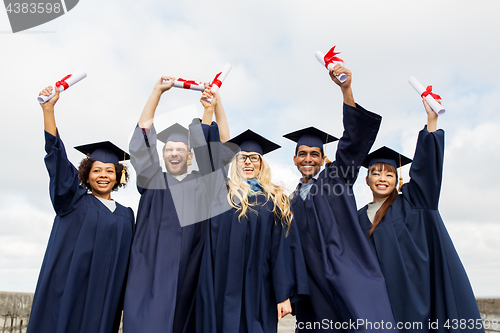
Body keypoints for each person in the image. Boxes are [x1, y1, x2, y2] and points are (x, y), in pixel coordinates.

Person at [283, 64, 396, 332]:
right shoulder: (289, 201)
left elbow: (352, 140)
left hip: (344, 275)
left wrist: (346, 89)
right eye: (302, 154)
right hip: (311, 285)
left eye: (314, 154)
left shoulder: (336, 178)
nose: (308, 158)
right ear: (295, 159)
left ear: (323, 159)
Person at [357, 98, 484, 332]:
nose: (382, 178)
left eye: (389, 174)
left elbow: (426, 171)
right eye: (376, 173)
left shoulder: (413, 203)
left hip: (414, 302)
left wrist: (431, 121)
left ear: (397, 180)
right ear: (367, 179)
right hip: (376, 303)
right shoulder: (357, 218)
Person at [123, 77, 229, 333]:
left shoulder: (203, 184)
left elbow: (221, 152)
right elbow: (142, 138)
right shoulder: (152, 180)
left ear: (190, 156)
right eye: (169, 149)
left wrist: (211, 108)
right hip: (148, 276)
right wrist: (156, 93)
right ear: (162, 155)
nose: (174, 153)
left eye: (181, 149)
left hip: (189, 277)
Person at [28, 86, 135, 333]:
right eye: (97, 170)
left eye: (110, 171)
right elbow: (57, 159)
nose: (103, 175)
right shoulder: (72, 200)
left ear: (119, 177)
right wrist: (48, 109)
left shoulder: (126, 215)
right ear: (86, 174)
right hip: (68, 295)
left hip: (104, 302)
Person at [196, 128, 309, 333]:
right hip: (222, 282)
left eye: (254, 158)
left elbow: (281, 250)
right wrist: (212, 107)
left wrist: (283, 295)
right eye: (242, 158)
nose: (248, 162)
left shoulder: (275, 200)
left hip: (259, 285)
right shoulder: (222, 195)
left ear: (261, 164)